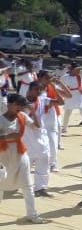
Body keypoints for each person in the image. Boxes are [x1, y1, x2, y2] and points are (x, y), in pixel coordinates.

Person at [0, 94, 43, 223]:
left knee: (27, 185)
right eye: (17, 104)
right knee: (0, 183)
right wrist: (8, 138)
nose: (20, 107)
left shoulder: (22, 116)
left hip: (20, 153)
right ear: (9, 104)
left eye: (22, 105)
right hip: (3, 154)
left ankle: (32, 214)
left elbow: (37, 127)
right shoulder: (1, 119)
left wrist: (34, 112)